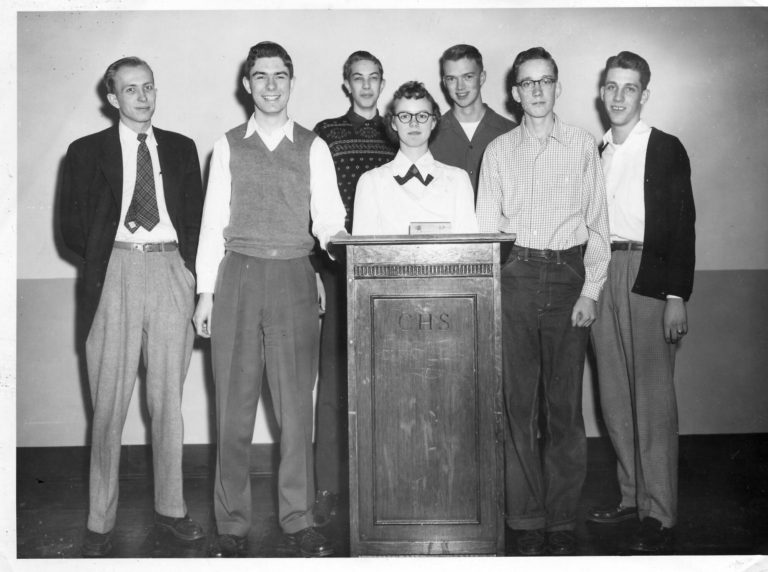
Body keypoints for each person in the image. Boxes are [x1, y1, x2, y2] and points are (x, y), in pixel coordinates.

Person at [192, 41, 346, 558]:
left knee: (295, 411)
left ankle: (297, 518)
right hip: (237, 277)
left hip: (294, 279)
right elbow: (214, 222)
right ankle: (232, 524)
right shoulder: (229, 145)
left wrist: (339, 250)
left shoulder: (313, 146)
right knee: (233, 412)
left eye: (280, 76)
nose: (271, 85)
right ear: (247, 84)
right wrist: (206, 293)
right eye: (261, 77)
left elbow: (328, 218)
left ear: (291, 82)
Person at [60, 56, 205, 557]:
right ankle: (99, 521)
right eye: (130, 89)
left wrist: (187, 274)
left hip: (170, 272)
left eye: (148, 87)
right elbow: (71, 231)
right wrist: (113, 259)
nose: (142, 96)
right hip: (115, 274)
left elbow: (197, 221)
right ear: (112, 98)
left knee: (168, 402)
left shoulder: (182, 148)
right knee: (109, 404)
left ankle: (172, 510)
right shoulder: (85, 152)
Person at [475, 47, 610, 556]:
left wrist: (590, 291)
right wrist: (494, 294)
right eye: (527, 83)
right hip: (514, 276)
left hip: (567, 276)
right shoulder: (499, 151)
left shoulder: (580, 145)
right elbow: (487, 232)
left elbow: (598, 225)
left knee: (563, 410)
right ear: (513, 92)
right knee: (517, 406)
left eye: (545, 81)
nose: (536, 91)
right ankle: (527, 519)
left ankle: (559, 520)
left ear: (558, 87)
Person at [586, 51, 695, 554]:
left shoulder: (666, 147)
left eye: (629, 88)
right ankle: (631, 498)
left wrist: (676, 295)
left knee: (651, 401)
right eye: (611, 86)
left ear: (643, 95)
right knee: (614, 396)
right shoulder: (598, 151)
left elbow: (681, 225)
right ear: (601, 92)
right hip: (603, 273)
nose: (618, 96)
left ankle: (660, 511)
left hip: (649, 276)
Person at [311, 51, 397, 525]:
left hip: (387, 274)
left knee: (384, 380)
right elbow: (313, 207)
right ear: (346, 84)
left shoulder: (398, 128)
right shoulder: (326, 132)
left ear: (382, 82)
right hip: (336, 270)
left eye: (373, 78)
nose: (366, 86)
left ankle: (381, 482)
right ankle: (327, 487)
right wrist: (314, 272)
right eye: (357, 79)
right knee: (333, 380)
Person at [353, 80, 478, 235]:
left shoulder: (458, 179)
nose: (414, 123)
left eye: (422, 116)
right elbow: (362, 254)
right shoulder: (371, 181)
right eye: (405, 116)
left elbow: (470, 249)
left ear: (433, 122)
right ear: (393, 123)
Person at [430, 44, 516, 198]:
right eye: (451, 79)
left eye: (468, 77)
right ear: (444, 82)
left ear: (482, 77)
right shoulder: (430, 135)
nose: (460, 87)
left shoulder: (511, 132)